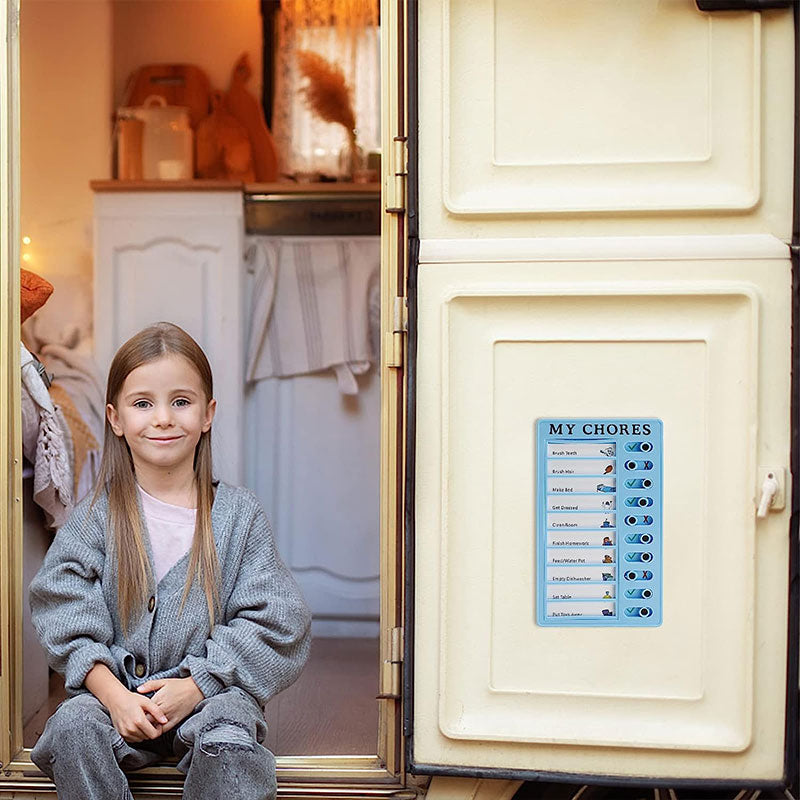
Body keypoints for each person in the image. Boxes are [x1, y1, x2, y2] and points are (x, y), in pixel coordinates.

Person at [29, 322, 311, 800]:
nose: (162, 418)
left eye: (181, 401)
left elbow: (279, 622)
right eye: (143, 404)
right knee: (74, 726)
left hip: (211, 701)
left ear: (207, 414)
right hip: (115, 701)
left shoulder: (239, 516)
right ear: (116, 418)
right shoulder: (95, 517)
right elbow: (62, 609)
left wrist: (197, 685)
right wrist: (114, 696)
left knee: (231, 740)